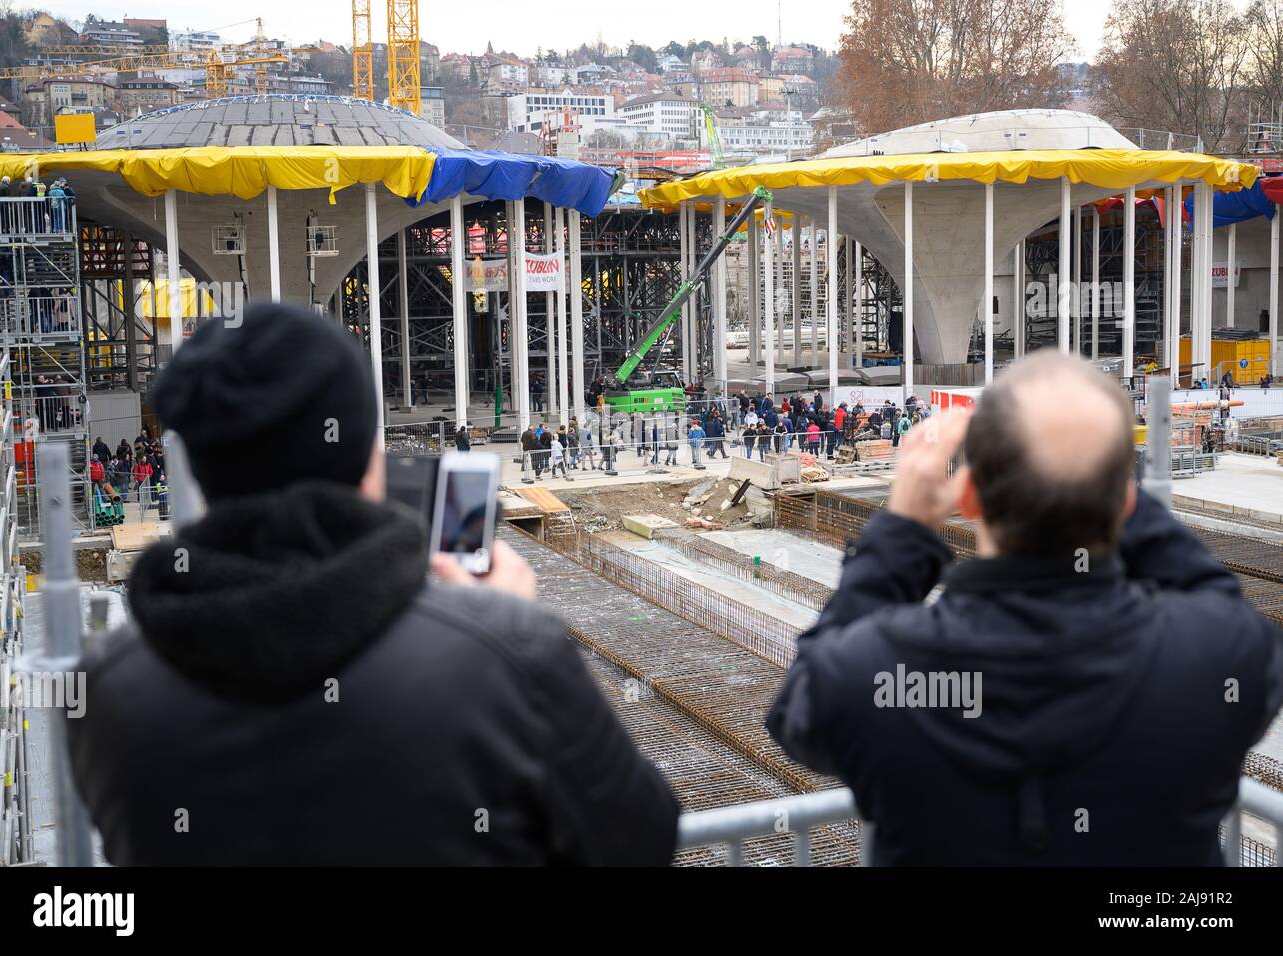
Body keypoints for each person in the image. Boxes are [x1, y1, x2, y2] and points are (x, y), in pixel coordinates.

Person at [67, 301, 679, 865]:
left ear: (199, 468)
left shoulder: (106, 689)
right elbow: (639, 839)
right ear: (366, 453)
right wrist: (502, 634)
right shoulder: (504, 653)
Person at [766, 352, 1283, 865]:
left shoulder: (873, 671)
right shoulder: (1221, 658)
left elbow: (800, 713)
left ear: (967, 498)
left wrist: (902, 526)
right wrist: (1094, 477)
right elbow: (1209, 592)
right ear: (1125, 504)